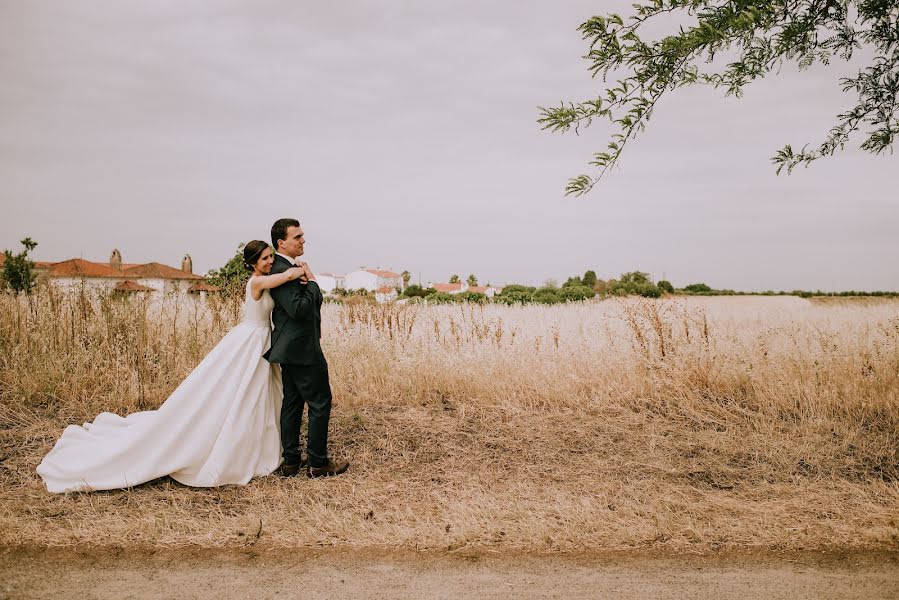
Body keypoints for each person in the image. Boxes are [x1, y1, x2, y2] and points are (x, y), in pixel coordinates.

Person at [36, 242, 306, 493]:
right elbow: (282, 279)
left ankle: (259, 443)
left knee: (257, 394)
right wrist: (299, 270)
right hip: (251, 340)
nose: (270, 261)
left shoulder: (263, 278)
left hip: (259, 339)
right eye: (265, 258)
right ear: (252, 263)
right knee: (242, 392)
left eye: (272, 256)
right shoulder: (258, 281)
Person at [265, 218, 349, 478]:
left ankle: (291, 461)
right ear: (282, 242)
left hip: (293, 348)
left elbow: (314, 301)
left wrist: (310, 283)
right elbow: (300, 309)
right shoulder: (281, 270)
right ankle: (318, 463)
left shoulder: (290, 267)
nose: (303, 241)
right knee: (320, 402)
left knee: (292, 402)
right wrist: (311, 281)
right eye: (297, 237)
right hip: (301, 348)